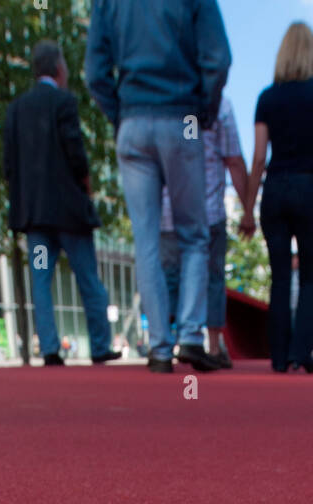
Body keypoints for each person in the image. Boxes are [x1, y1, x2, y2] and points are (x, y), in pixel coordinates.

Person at [86, 0, 231, 374]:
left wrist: (122, 116)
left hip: (133, 120)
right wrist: (202, 113)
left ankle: (160, 349)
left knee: (146, 240)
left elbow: (95, 72)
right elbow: (217, 59)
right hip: (181, 115)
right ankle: (191, 337)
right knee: (195, 235)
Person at [4, 40, 120, 367]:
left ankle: (50, 350)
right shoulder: (63, 102)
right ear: (58, 69)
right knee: (88, 277)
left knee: (41, 280)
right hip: (68, 213)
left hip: (36, 216)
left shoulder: (16, 110)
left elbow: (8, 165)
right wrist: (86, 186)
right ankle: (99, 346)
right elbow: (75, 153)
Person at [243, 21, 313, 374]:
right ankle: (303, 352)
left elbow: (258, 158)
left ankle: (279, 355)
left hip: (276, 189)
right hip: (308, 186)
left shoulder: (267, 98)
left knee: (280, 276)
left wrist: (247, 209)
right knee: (309, 275)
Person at [160, 92, 247, 367]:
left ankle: (164, 344)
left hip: (168, 208)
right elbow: (234, 159)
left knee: (172, 276)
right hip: (206, 209)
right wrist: (247, 209)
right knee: (211, 277)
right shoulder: (219, 103)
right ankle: (207, 344)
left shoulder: (162, 99)